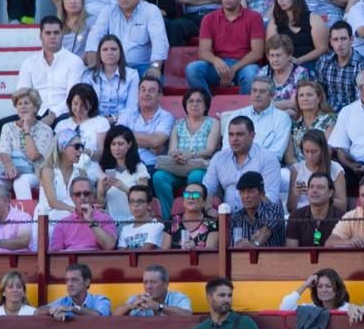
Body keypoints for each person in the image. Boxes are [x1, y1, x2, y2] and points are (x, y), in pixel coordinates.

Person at [0, 16, 85, 145]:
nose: (52, 36)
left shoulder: (74, 61)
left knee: (58, 127)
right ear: (40, 36)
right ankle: (14, 164)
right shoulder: (30, 63)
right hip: (35, 113)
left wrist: (52, 115)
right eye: (48, 33)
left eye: (56, 33)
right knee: (0, 126)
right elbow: (22, 94)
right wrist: (30, 116)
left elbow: (73, 97)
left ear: (62, 35)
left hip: (63, 114)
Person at [185, 0, 265, 97]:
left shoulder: (254, 17)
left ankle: (242, 111)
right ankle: (208, 106)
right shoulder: (209, 18)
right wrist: (217, 62)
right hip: (218, 66)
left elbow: (257, 52)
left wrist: (233, 69)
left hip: (243, 65)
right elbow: (203, 52)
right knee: (192, 69)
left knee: (251, 74)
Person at [153, 89, 221, 221]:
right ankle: (168, 219)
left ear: (206, 105)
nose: (194, 104)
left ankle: (191, 217)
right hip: (178, 167)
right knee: (159, 177)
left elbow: (210, 150)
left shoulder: (213, 123)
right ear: (185, 104)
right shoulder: (178, 124)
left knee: (195, 176)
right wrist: (176, 155)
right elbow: (171, 150)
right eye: (190, 101)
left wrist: (191, 154)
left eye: (198, 101)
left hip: (200, 167)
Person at [84, 0, 169, 77]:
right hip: (114, 66)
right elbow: (95, 35)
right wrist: (93, 60)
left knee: (152, 81)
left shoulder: (151, 11)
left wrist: (155, 67)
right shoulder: (108, 11)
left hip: (141, 68)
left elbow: (159, 42)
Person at [204, 116, 282, 211]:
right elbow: (206, 190)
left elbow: (271, 197)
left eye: (239, 134)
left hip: (259, 216)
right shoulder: (219, 158)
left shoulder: (268, 158)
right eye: (231, 134)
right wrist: (208, 209)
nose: (234, 139)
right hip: (227, 217)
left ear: (252, 135)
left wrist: (247, 217)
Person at [0, 88, 55, 200]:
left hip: (36, 172)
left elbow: (33, 156)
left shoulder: (45, 130)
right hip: (11, 169)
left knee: (21, 182)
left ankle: (26, 217)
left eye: (27, 103)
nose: (22, 106)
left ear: (36, 107)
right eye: (19, 104)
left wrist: (26, 130)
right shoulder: (7, 127)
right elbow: (3, 151)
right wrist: (9, 165)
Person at [91, 125, 150, 223]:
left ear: (129, 144)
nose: (116, 148)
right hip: (112, 222)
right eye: (113, 144)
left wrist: (124, 188)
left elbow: (144, 198)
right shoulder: (102, 168)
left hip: (134, 221)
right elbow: (100, 205)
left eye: (120, 144)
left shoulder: (139, 167)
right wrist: (103, 192)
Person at [220, 77, 292, 157]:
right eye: (254, 90)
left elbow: (276, 153)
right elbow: (226, 148)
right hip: (235, 163)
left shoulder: (282, 118)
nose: (257, 95)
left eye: (262, 92)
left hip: (265, 166)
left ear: (272, 96)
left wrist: (252, 162)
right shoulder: (237, 114)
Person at [117, 76, 176, 173]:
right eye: (143, 90)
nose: (146, 94)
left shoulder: (166, 117)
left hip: (151, 166)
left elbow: (156, 141)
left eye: (151, 91)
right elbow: (118, 137)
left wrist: (127, 137)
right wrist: (149, 145)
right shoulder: (126, 114)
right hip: (125, 165)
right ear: (138, 93)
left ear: (160, 95)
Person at [268, 0, 330, 71]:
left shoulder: (313, 19)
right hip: (282, 65)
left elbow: (322, 48)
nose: (280, 0)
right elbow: (270, 49)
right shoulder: (274, 23)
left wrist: (300, 60)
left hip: (309, 63)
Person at [316, 20, 364, 112]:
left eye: (343, 39)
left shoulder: (361, 64)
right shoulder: (324, 62)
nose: (339, 44)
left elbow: (362, 100)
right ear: (331, 42)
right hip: (327, 112)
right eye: (335, 39)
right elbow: (319, 92)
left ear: (351, 40)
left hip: (352, 114)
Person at [81, 35, 140, 123]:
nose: (110, 52)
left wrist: (113, 120)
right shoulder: (88, 76)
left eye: (114, 49)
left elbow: (131, 109)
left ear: (120, 52)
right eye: (105, 49)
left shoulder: (132, 75)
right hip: (94, 122)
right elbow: (85, 105)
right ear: (99, 53)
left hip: (122, 123)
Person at [38, 129, 89, 229]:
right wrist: (74, 210)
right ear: (62, 147)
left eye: (82, 146)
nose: (81, 150)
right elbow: (52, 202)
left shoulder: (81, 173)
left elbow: (86, 199)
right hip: (47, 219)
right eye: (77, 147)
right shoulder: (48, 171)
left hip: (73, 218)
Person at [49, 177, 118, 251]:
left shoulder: (106, 219)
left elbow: (109, 246)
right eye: (78, 194)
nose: (82, 197)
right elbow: (55, 255)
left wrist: (90, 220)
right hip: (71, 261)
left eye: (86, 194)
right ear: (72, 197)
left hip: (97, 261)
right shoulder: (62, 224)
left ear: (93, 196)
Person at [288, 130, 346, 213]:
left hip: (327, 215)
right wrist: (295, 194)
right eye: (306, 151)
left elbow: (342, 205)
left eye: (314, 151)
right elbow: (290, 208)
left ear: (323, 150)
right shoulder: (297, 169)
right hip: (302, 216)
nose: (310, 156)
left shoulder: (335, 168)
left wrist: (322, 197)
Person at [189, 277, 262, 329]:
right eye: (222, 295)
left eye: (229, 295)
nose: (227, 300)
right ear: (209, 298)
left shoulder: (245, 324)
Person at [286, 171, 345, 247]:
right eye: (311, 187)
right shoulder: (296, 216)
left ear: (330, 193)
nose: (314, 190)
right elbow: (292, 253)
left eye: (320, 187)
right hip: (303, 259)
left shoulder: (343, 218)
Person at [54, 82, 110, 161]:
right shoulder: (61, 125)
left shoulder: (101, 122)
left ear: (91, 105)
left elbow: (103, 154)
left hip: (92, 169)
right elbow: (55, 153)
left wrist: (85, 151)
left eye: (83, 105)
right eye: (75, 103)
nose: (78, 108)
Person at [287, 80, 338, 167]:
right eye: (301, 95)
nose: (305, 98)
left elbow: (327, 151)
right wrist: (301, 170)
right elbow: (290, 157)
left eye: (309, 95)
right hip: (297, 168)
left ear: (318, 98)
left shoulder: (330, 119)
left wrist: (311, 170)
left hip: (322, 167)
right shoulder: (292, 123)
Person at [230, 171, 285, 247]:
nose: (246, 196)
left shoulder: (274, 210)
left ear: (262, 193)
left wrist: (253, 245)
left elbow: (266, 232)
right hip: (242, 258)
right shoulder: (236, 218)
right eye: (242, 192)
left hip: (271, 258)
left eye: (251, 191)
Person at [259, 35, 312, 115]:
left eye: (278, 55)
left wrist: (267, 106)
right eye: (272, 56)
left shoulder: (300, 73)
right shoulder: (263, 72)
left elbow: (294, 103)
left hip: (291, 115)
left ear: (289, 55)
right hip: (266, 114)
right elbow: (258, 98)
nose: (275, 59)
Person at [38, 263, 112, 318]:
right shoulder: (63, 301)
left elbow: (101, 316)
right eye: (67, 280)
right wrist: (52, 310)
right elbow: (37, 312)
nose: (69, 284)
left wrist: (73, 309)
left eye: (74, 280)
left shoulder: (100, 300)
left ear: (87, 282)